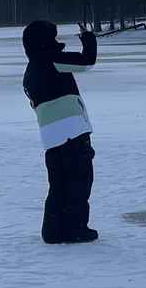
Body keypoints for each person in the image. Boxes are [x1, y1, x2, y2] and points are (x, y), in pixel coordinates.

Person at [22, 20, 99, 243]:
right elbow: (87, 61)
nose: (57, 42)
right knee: (79, 182)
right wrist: (88, 38)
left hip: (51, 136)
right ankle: (77, 229)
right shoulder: (51, 60)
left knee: (58, 186)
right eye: (53, 38)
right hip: (72, 132)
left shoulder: (30, 70)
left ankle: (53, 231)